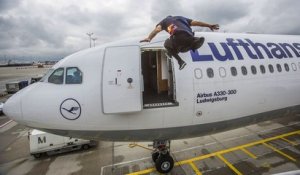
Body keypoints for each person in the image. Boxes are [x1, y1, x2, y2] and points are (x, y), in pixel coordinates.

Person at [140, 16, 219, 70]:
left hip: (178, 38)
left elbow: (157, 30)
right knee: (185, 43)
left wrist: (149, 38)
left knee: (166, 44)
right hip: (189, 36)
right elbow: (197, 22)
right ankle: (195, 41)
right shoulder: (181, 18)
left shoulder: (164, 22)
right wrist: (209, 25)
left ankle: (180, 61)